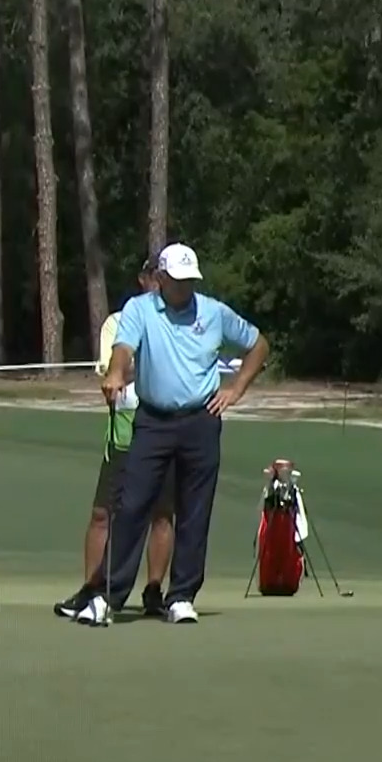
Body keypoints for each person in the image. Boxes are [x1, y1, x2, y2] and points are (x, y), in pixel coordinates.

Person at [79, 242, 269, 626]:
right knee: (132, 506)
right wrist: (116, 373)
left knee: (195, 510)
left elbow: (259, 345)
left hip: (201, 420)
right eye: (177, 280)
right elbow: (123, 348)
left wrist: (235, 388)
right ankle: (109, 596)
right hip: (153, 420)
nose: (184, 289)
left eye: (189, 281)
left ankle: (181, 595)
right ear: (161, 278)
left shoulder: (213, 312)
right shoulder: (141, 309)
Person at [55, 256, 175, 620]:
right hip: (126, 425)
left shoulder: (182, 321)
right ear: (144, 279)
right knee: (102, 513)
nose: (160, 283)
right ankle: (93, 586)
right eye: (155, 276)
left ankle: (154, 590)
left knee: (161, 514)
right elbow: (114, 368)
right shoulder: (119, 321)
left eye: (165, 277)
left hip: (166, 423)